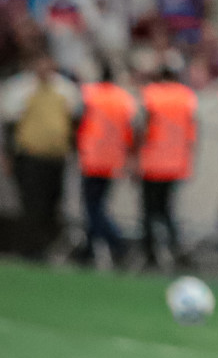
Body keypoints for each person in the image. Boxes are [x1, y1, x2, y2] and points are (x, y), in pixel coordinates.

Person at [0, 53, 81, 259]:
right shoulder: (19, 88)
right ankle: (31, 249)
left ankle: (49, 247)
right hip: (30, 156)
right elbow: (9, 124)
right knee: (32, 203)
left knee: (53, 203)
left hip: (56, 156)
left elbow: (74, 122)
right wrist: (6, 155)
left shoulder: (65, 89)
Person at [74, 64, 138, 267]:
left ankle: (117, 244)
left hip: (92, 158)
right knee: (98, 205)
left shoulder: (90, 95)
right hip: (113, 160)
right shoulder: (124, 99)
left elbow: (78, 122)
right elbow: (132, 130)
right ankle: (89, 250)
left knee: (93, 207)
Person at [136, 62, 198, 269]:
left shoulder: (151, 94)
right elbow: (192, 134)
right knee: (167, 210)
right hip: (175, 164)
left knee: (148, 211)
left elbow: (143, 128)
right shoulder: (186, 97)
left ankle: (150, 253)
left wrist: (134, 157)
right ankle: (177, 250)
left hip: (152, 162)